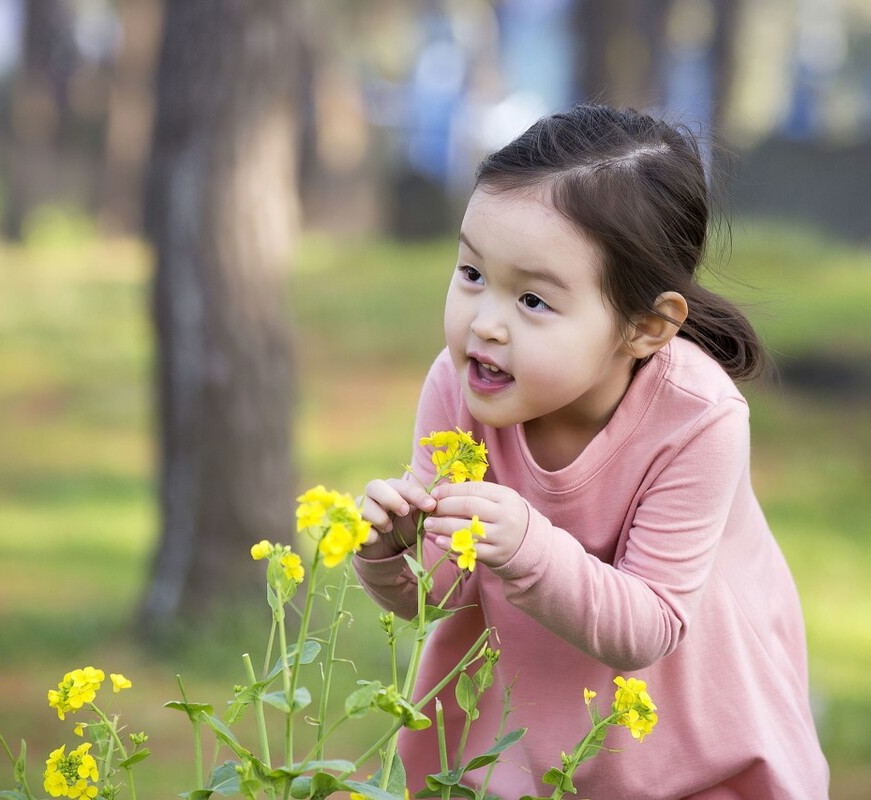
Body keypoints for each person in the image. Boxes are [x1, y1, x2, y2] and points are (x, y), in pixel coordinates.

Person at [355, 104, 829, 799]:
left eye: (535, 302)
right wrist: (389, 553)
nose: (485, 323)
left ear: (645, 327)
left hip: (686, 740)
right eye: (472, 274)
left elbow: (652, 623)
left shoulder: (698, 417)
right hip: (522, 730)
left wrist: (525, 547)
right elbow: (439, 590)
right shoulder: (458, 386)